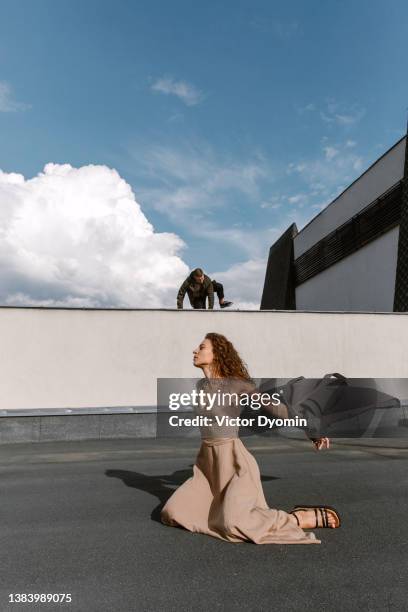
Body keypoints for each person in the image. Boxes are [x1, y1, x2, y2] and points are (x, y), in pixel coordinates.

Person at [160, 332, 341, 544]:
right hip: (207, 467)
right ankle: (224, 510)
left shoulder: (238, 385)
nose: (195, 351)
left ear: (217, 353)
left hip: (234, 462)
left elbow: (277, 409)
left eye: (201, 347)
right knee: (172, 512)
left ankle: (296, 517)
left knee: (233, 525)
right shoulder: (201, 386)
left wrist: (312, 430)